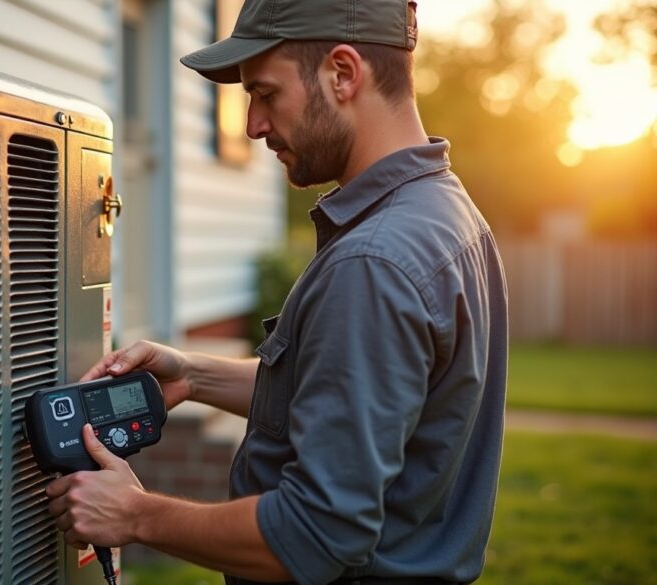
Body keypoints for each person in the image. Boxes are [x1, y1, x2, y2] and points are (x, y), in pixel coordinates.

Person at [44, 1, 508, 583]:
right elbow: (354, 390)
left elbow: (315, 533)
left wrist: (137, 515)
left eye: (265, 93)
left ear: (343, 73)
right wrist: (195, 374)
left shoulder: (374, 262)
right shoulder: (446, 214)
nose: (252, 125)